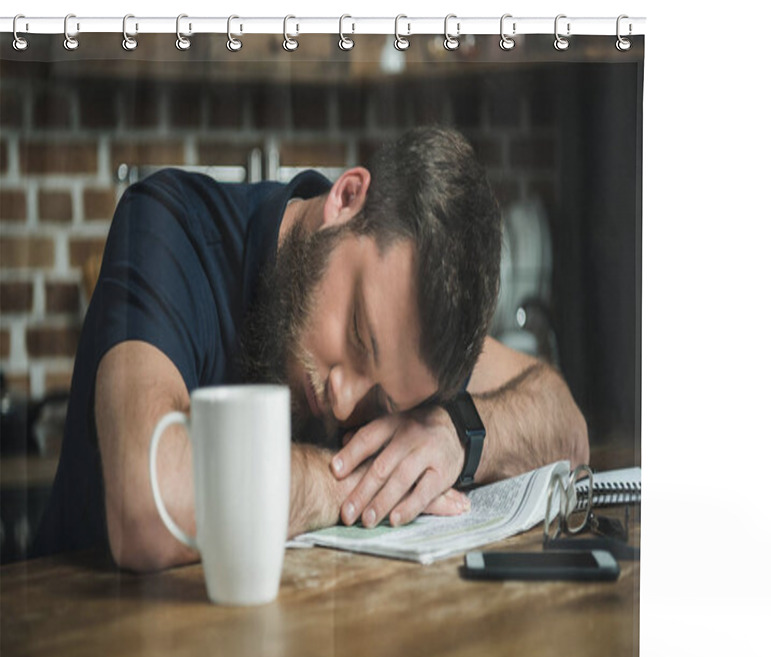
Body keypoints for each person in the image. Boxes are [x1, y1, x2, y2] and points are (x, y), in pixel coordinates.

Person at [36, 127, 588, 572]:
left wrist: (455, 439)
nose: (346, 402)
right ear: (346, 200)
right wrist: (348, 483)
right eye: (357, 335)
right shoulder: (165, 227)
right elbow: (152, 512)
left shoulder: (404, 347)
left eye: (387, 401)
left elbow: (567, 427)